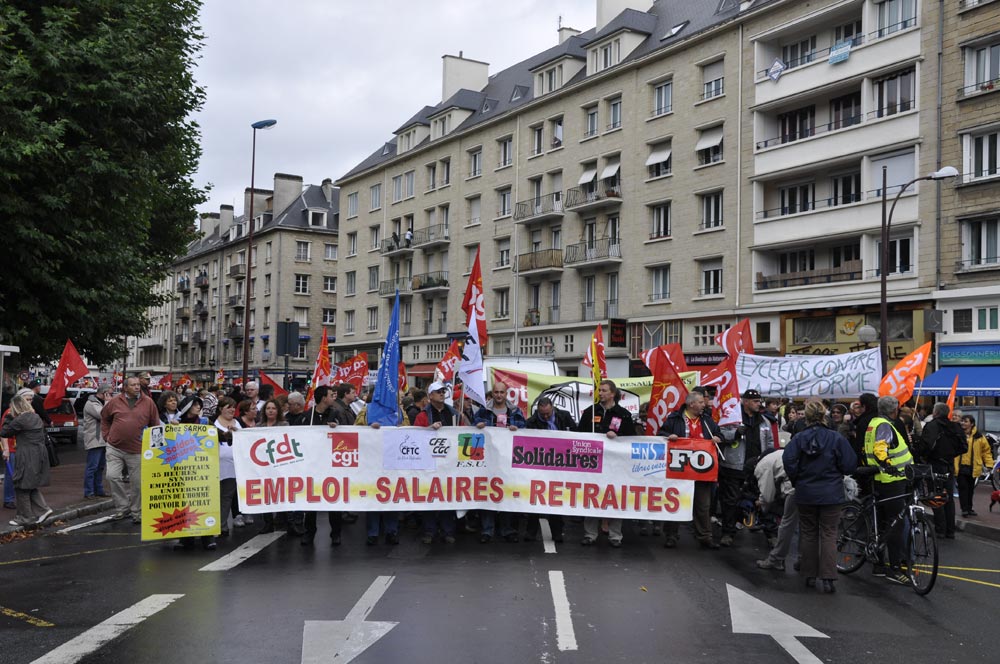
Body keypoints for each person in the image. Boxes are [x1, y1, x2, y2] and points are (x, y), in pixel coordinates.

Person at [783, 400, 857, 593]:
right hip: (831, 492)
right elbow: (849, 464)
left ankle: (809, 574)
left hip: (806, 491)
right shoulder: (836, 438)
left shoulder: (799, 438)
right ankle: (828, 576)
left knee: (808, 533)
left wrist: (797, 479)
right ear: (824, 415)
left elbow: (788, 460)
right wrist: (837, 472)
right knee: (829, 534)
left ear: (805, 416)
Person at [658, 391, 722, 549]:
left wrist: (717, 438)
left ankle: (705, 537)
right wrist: (669, 435)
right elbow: (661, 433)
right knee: (675, 503)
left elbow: (719, 434)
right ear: (691, 404)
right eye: (700, 402)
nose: (704, 404)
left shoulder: (707, 419)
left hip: (702, 470)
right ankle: (671, 535)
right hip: (680, 470)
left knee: (703, 505)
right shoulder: (675, 418)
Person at [577, 379, 636, 547]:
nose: (600, 393)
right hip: (593, 463)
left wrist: (618, 437)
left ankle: (615, 535)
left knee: (615, 497)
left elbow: (631, 438)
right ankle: (590, 534)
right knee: (592, 496)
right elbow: (579, 434)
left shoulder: (623, 414)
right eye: (599, 390)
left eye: (603, 390)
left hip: (616, 464)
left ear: (612, 393)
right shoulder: (590, 412)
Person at [717, 389, 779, 547]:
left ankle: (771, 534)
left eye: (760, 401)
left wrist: (768, 460)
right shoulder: (733, 418)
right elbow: (721, 435)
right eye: (756, 401)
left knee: (765, 500)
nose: (759, 404)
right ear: (745, 402)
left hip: (758, 468)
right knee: (730, 502)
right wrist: (735, 433)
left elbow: (770, 442)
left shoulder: (764, 421)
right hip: (734, 467)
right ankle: (728, 532)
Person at [864, 395, 914, 585]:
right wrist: (888, 464)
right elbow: (879, 448)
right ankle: (894, 568)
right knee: (896, 524)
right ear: (894, 410)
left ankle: (878, 564)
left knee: (884, 523)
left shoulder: (874, 422)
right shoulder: (885, 426)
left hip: (882, 479)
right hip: (891, 479)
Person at [102, 376, 160, 524]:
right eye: (133, 385)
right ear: (125, 387)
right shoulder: (115, 401)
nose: (137, 387)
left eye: (138, 385)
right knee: (112, 476)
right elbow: (105, 417)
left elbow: (155, 424)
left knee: (137, 483)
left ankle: (137, 512)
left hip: (137, 449)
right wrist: (106, 435)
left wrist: (155, 447)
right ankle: (122, 507)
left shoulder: (148, 402)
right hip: (115, 447)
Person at [412, 382, 465, 544]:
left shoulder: (455, 414)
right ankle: (429, 531)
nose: (442, 394)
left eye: (443, 391)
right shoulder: (423, 416)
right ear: (430, 396)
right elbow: (416, 437)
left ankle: (448, 530)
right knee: (430, 496)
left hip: (450, 463)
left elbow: (464, 432)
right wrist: (429, 428)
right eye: (438, 391)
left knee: (448, 497)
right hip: (430, 463)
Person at [475, 381, 527, 543]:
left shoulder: (515, 411)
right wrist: (478, 426)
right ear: (493, 393)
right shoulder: (483, 411)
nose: (498, 395)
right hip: (487, 460)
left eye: (501, 392)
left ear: (506, 394)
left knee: (506, 493)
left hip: (507, 460)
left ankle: (507, 529)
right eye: (496, 392)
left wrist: (516, 428)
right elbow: (472, 426)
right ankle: (487, 530)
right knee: (487, 494)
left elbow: (524, 427)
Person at [524, 396, 576, 543]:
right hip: (539, 464)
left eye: (548, 414)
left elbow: (575, 433)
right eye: (543, 414)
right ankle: (531, 532)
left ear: (552, 408)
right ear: (538, 411)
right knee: (535, 498)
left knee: (555, 498)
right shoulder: (531, 422)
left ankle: (557, 532)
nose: (546, 417)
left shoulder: (564, 417)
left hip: (559, 464)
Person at [0, 394, 53, 527]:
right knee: (30, 485)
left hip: (27, 455)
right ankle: (43, 510)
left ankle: (24, 517)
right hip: (39, 454)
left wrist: (8, 417)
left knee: (21, 485)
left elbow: (5, 432)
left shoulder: (20, 419)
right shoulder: (35, 417)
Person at [918, 402, 966, 539]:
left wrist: (924, 456)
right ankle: (950, 530)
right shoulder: (955, 426)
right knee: (948, 497)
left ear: (936, 413)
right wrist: (951, 454)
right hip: (949, 464)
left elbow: (926, 445)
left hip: (935, 464)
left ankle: (940, 528)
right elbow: (964, 446)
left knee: (935, 495)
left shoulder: (932, 426)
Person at [754, 447, 797, 571]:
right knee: (808, 528)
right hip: (819, 486)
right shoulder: (778, 454)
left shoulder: (762, 465)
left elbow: (767, 496)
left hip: (795, 487)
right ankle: (803, 560)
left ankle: (776, 560)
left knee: (787, 525)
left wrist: (761, 503)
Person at [957, 415, 994, 517]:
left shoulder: (979, 437)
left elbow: (986, 451)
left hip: (973, 467)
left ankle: (969, 508)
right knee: (963, 487)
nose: (963, 423)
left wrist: (989, 464)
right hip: (960, 466)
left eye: (965, 421)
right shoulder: (958, 434)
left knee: (970, 489)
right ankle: (964, 509)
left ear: (972, 424)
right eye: (962, 421)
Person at [82, 385, 112, 500]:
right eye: (109, 394)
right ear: (104, 393)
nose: (111, 396)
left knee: (100, 467)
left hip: (103, 439)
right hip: (94, 439)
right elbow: (103, 415)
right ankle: (89, 492)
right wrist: (108, 402)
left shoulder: (99, 403)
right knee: (92, 467)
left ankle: (99, 490)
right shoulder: (91, 404)